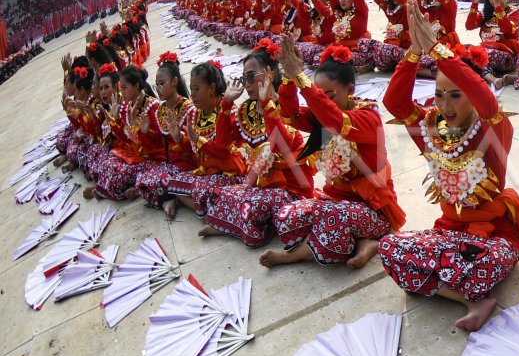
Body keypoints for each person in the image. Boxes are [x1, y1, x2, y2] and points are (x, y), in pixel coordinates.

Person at [378, 1, 519, 330]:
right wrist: (413, 53)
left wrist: (438, 50)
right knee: (392, 248)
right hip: (450, 234)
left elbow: (487, 100)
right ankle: (471, 299)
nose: (444, 105)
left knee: (470, 263)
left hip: (493, 240)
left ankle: (458, 284)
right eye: (439, 95)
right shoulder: (430, 129)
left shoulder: (493, 127)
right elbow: (394, 102)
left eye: (455, 95)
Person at [257, 38, 405, 269]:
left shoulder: (368, 119)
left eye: (330, 95)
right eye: (319, 95)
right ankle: (365, 243)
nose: (322, 102)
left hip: (372, 210)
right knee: (287, 217)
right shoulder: (322, 118)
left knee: (331, 217)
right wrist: (288, 78)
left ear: (350, 91)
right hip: (334, 203)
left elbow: (335, 120)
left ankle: (296, 256)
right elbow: (290, 114)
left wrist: (302, 79)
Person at [200, 40, 315, 247]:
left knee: (251, 206)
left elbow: (282, 144)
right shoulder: (246, 110)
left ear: (269, 73)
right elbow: (223, 144)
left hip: (290, 188)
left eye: (252, 76)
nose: (247, 84)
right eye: (245, 78)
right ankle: (252, 226)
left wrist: (266, 104)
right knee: (218, 194)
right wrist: (226, 105)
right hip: (261, 185)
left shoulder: (285, 106)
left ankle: (251, 229)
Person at [165, 60, 245, 219]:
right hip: (207, 172)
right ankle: (207, 210)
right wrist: (180, 138)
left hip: (230, 172)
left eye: (196, 89)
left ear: (212, 88)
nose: (192, 94)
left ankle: (209, 214)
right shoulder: (196, 114)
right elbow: (195, 152)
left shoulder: (228, 111)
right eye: (191, 89)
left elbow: (223, 151)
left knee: (203, 191)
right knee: (172, 182)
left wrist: (199, 140)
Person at [83, 64, 163, 201]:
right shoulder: (127, 107)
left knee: (117, 177)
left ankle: (105, 190)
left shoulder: (152, 106)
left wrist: (144, 132)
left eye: (124, 88)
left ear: (136, 86)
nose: (122, 91)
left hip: (153, 159)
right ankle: (112, 189)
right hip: (135, 154)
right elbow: (127, 139)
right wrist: (116, 121)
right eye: (121, 88)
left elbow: (160, 143)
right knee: (107, 165)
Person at [133, 52, 196, 211]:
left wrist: (179, 138)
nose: (158, 89)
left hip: (187, 165)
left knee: (157, 180)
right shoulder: (161, 109)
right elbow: (160, 142)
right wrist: (147, 133)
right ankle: (171, 199)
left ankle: (171, 199)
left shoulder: (188, 108)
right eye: (156, 85)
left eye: (162, 84)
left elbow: (196, 147)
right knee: (142, 179)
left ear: (174, 82)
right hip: (169, 164)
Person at [463, 0, 519, 88]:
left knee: (478, 55)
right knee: (463, 53)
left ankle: (492, 78)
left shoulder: (514, 11)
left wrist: (498, 7)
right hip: (485, 55)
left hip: (506, 56)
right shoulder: (487, 13)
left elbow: (507, 29)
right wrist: (475, 4)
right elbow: (469, 26)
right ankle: (492, 77)